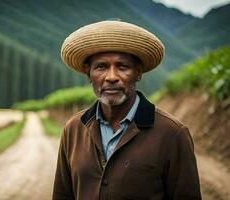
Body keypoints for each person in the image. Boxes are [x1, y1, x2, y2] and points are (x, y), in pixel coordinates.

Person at [53, 20, 202, 200]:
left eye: (122, 66)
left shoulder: (172, 134)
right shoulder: (73, 129)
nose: (112, 77)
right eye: (101, 67)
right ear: (88, 74)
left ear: (138, 73)